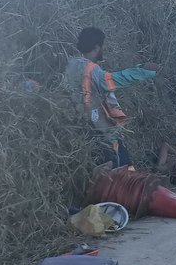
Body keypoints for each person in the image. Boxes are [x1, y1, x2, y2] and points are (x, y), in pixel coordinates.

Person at [65, 27, 160, 168]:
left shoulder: (70, 64)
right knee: (123, 171)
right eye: (103, 46)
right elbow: (112, 81)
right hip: (100, 130)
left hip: (80, 128)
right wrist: (143, 71)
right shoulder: (91, 68)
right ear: (97, 47)